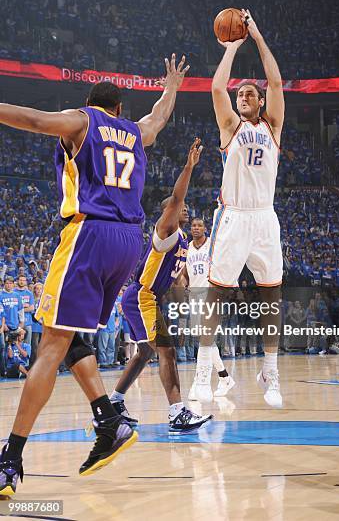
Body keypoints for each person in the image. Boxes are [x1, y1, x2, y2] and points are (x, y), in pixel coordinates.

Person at [0, 53, 189, 496]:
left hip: (89, 233)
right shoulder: (136, 133)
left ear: (91, 105)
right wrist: (172, 87)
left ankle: (9, 460)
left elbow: (34, 119)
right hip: (129, 241)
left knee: (49, 344)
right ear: (120, 109)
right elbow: (159, 117)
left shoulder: (81, 121)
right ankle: (108, 421)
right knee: (71, 338)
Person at [195, 10, 285, 407]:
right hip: (232, 217)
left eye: (250, 94)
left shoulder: (273, 127)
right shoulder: (230, 128)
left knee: (272, 296)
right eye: (240, 94)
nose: (242, 97)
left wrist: (258, 35)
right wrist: (232, 47)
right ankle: (202, 372)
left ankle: (271, 367)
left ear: (261, 100)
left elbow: (277, 79)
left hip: (265, 218)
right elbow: (217, 89)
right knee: (216, 294)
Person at [108, 139, 212, 432]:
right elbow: (177, 197)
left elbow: (177, 277)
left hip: (146, 297)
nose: (186, 211)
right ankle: (177, 413)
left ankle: (115, 401)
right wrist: (189, 166)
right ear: (169, 212)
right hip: (141, 296)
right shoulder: (166, 230)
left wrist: (186, 288)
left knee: (145, 352)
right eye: (182, 209)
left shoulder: (182, 243)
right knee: (166, 350)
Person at [184, 217, 235, 400]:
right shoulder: (187, 248)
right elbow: (184, 273)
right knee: (203, 338)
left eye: (199, 226)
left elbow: (225, 265)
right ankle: (224, 377)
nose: (196, 228)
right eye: (193, 226)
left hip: (210, 294)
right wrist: (183, 285)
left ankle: (198, 383)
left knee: (205, 338)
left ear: (205, 229)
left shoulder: (212, 246)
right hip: (194, 295)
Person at [14, 275, 34, 347]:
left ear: (26, 282)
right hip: (15, 323)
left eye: (23, 280)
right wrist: (25, 306)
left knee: (27, 345)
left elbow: (31, 308)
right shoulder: (13, 293)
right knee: (15, 344)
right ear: (17, 281)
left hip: (27, 323)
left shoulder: (29, 293)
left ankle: (26, 358)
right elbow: (13, 308)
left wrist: (19, 309)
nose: (22, 282)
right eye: (20, 280)